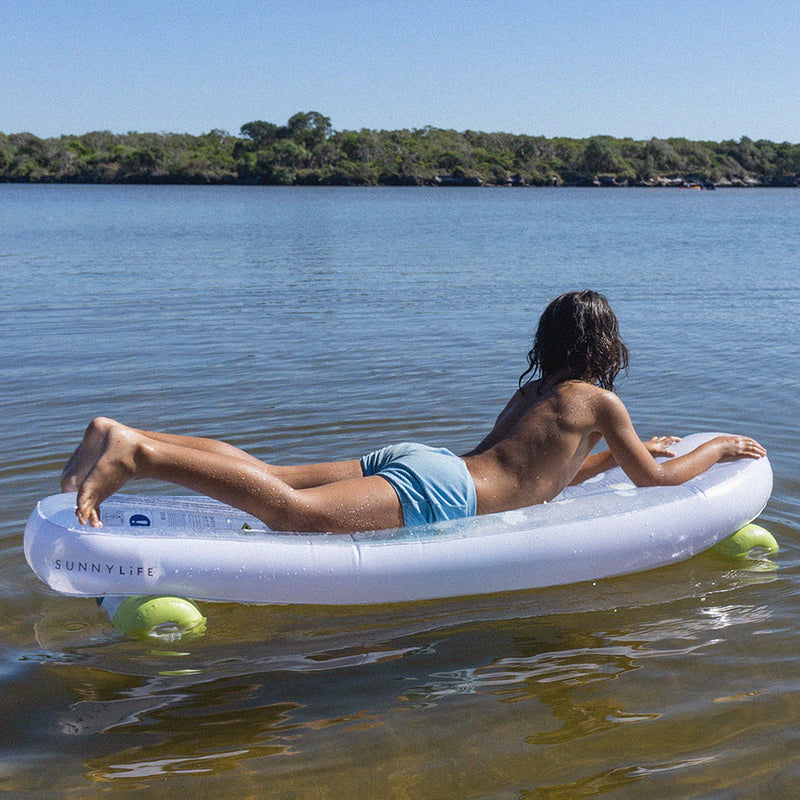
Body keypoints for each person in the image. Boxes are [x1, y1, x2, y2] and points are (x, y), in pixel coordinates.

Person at [60, 290, 766, 532]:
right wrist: (714, 449)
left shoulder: (537, 392)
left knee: (273, 475)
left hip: (432, 462)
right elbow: (656, 481)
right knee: (293, 514)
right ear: (607, 346)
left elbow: (537, 477)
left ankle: (124, 432)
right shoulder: (599, 399)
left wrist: (609, 458)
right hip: (447, 489)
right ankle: (140, 455)